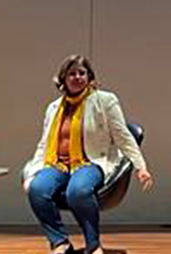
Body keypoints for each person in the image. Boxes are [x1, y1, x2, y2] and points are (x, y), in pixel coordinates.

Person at [22, 54, 153, 254]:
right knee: (37, 189)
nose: (77, 77)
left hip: (90, 162)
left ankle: (93, 245)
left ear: (89, 77)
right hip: (58, 164)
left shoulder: (105, 100)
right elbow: (44, 144)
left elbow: (124, 136)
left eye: (82, 73)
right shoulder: (54, 108)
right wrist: (32, 172)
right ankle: (60, 243)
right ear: (63, 79)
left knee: (78, 191)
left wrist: (140, 167)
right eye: (72, 74)